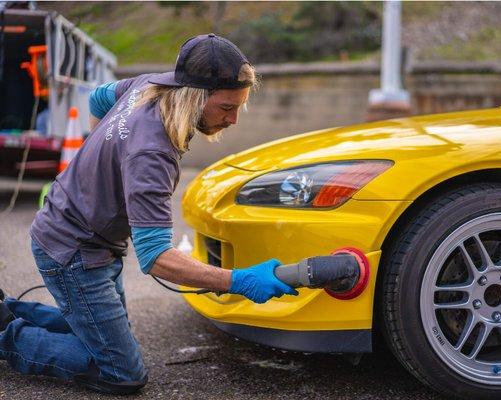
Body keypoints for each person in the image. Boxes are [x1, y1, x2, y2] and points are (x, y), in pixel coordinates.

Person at [0, 34, 298, 394]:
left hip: (85, 237)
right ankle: (6, 338)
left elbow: (97, 97)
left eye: (238, 106)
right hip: (72, 251)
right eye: (225, 107)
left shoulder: (151, 85)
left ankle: (8, 312)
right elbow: (156, 258)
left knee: (105, 332)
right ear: (194, 96)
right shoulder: (152, 153)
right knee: (122, 372)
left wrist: (103, 162)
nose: (233, 119)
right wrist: (239, 282)